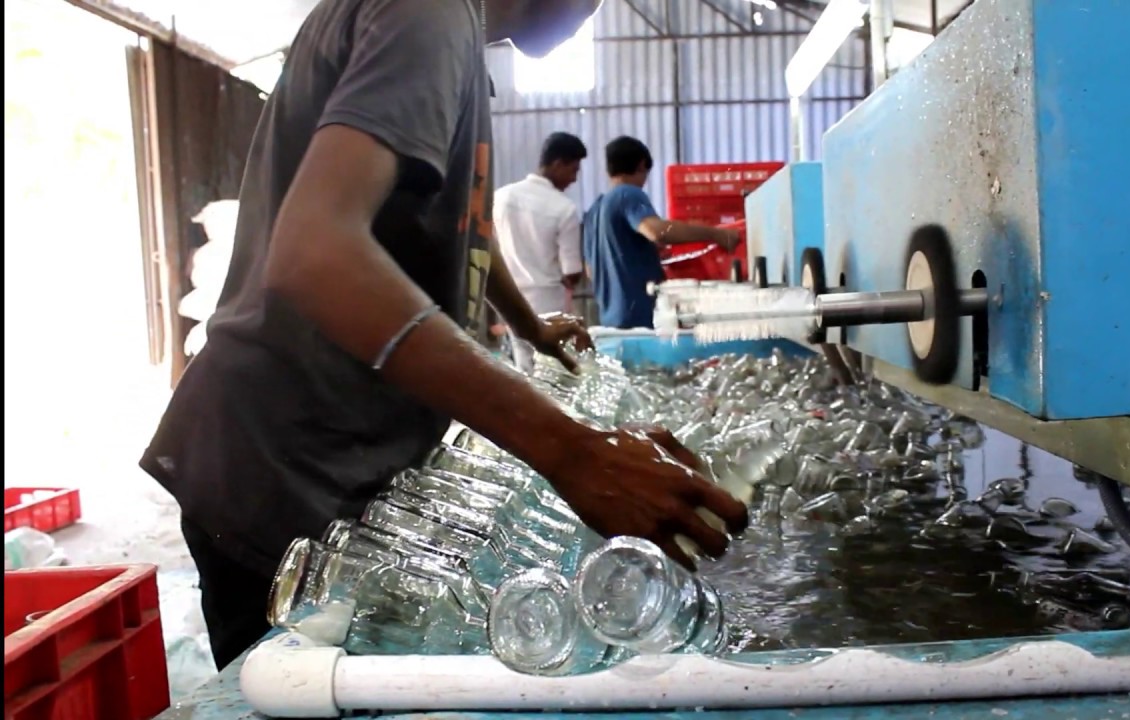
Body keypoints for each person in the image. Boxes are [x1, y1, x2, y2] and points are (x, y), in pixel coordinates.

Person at [139, 0, 748, 671]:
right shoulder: (425, 12)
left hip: (325, 445)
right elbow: (317, 252)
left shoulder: (447, 36)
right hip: (287, 459)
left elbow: (460, 223)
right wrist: (574, 452)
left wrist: (529, 327)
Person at [583, 136, 741, 329]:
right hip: (638, 320)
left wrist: (643, 254)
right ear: (641, 166)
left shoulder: (594, 211)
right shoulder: (628, 193)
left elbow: (591, 270)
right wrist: (717, 234)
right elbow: (657, 231)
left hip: (610, 323)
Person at [493, 132, 589, 372]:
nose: (573, 179)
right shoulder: (563, 208)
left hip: (507, 297)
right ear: (558, 164)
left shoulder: (501, 197)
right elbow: (572, 272)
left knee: (523, 369)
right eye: (573, 171)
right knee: (553, 373)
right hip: (548, 302)